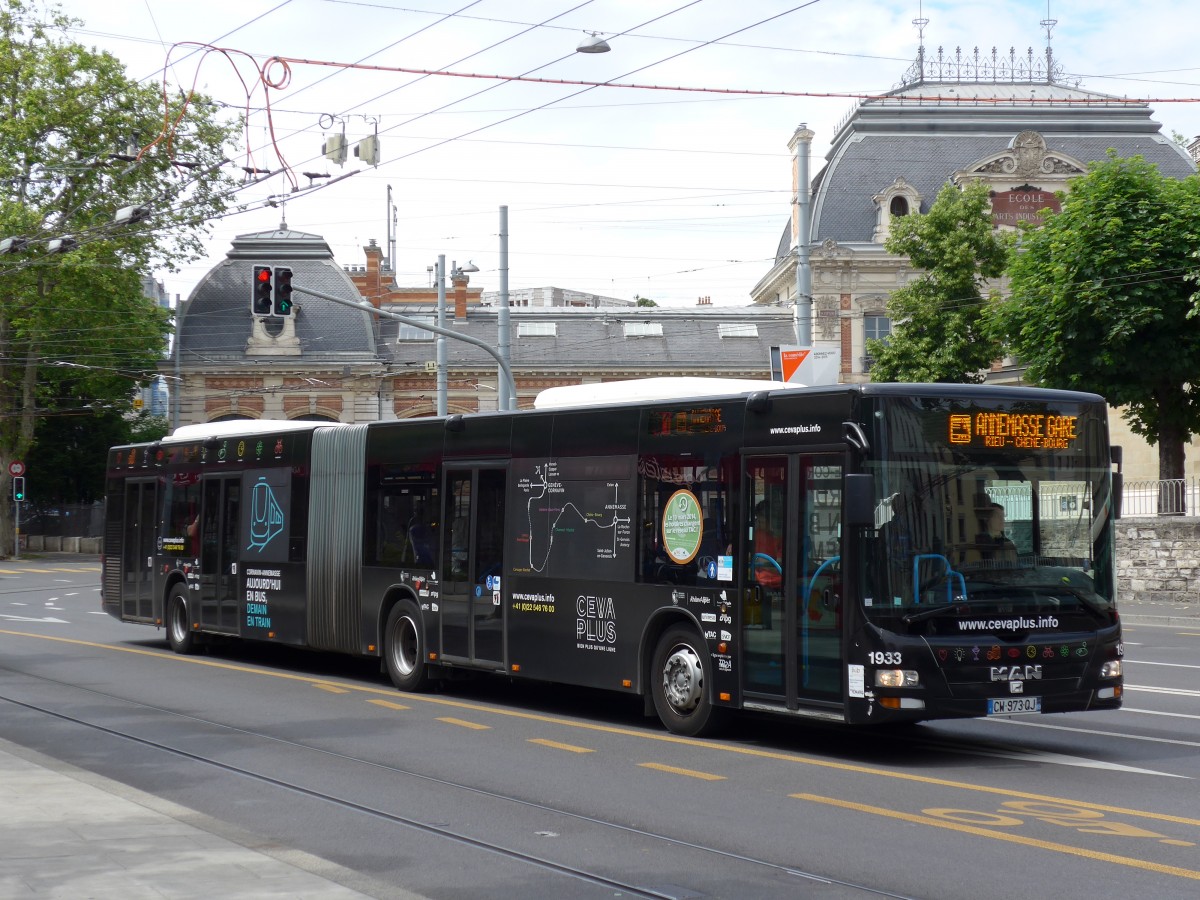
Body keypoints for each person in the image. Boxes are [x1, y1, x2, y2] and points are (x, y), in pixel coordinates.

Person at [751, 501, 782, 588]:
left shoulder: (779, 539)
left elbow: (779, 565)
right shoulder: (756, 535)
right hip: (758, 581)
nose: (758, 524)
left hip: (775, 583)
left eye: (761, 521)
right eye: (758, 521)